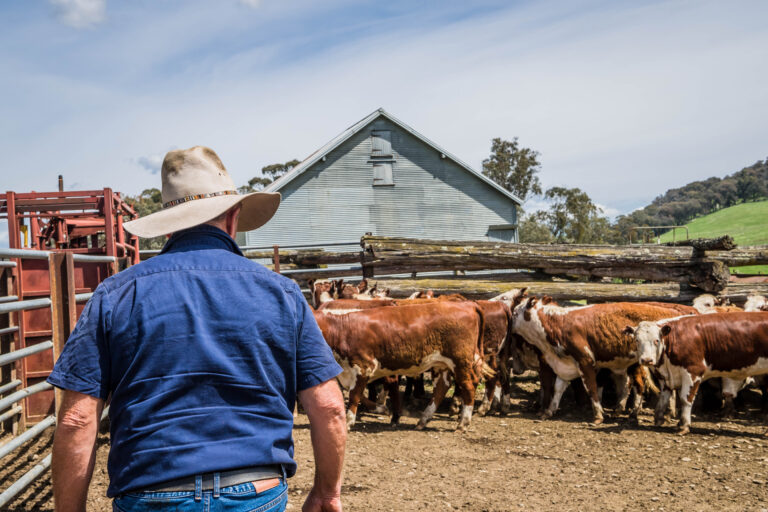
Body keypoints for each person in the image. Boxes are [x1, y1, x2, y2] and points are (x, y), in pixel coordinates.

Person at [47, 146, 347, 512]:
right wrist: (327, 493)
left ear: (169, 221)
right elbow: (329, 407)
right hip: (254, 487)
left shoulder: (116, 294)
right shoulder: (281, 293)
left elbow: (77, 419)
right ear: (234, 216)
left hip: (152, 488)